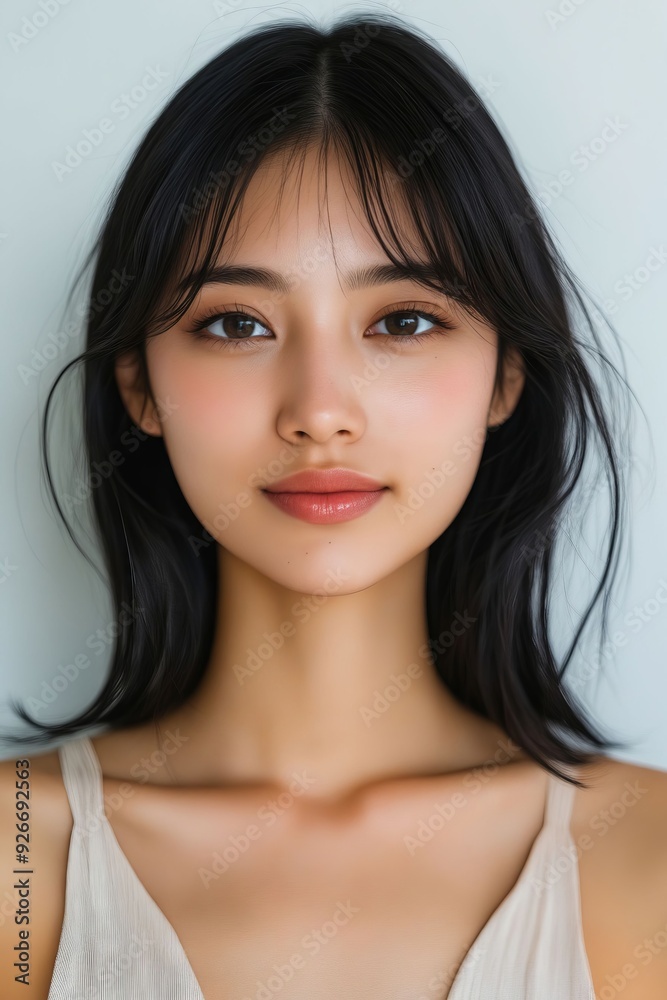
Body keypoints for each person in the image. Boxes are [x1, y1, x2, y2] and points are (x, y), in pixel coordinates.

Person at [2, 11, 666, 999]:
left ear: (504, 378)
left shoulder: (646, 859)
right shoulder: (18, 859)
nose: (317, 412)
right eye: (237, 323)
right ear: (139, 385)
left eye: (403, 319)